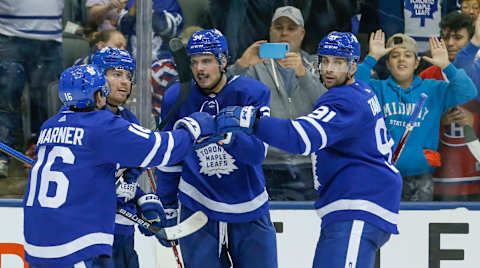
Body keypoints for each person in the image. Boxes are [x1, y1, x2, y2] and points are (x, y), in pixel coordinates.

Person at [215, 31, 402, 268]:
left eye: (339, 62)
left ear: (353, 66)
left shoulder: (345, 100)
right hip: (354, 205)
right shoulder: (360, 92)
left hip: (358, 205)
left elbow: (301, 139)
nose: (330, 69)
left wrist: (251, 121)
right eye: (326, 61)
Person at [23, 64, 215, 267]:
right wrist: (194, 127)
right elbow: (162, 149)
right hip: (75, 244)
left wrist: (138, 197)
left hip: (36, 238)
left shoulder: (49, 126)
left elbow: (82, 178)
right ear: (98, 96)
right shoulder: (102, 124)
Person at [155, 29, 278, 268]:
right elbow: (170, 159)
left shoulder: (253, 93)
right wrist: (168, 206)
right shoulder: (176, 97)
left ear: (223, 61)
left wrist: (225, 134)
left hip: (249, 206)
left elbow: (257, 152)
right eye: (194, 62)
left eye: (207, 61)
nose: (200, 69)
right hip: (197, 207)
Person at [355, 30, 477, 201]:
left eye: (408, 55)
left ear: (416, 63)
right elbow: (354, 89)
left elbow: (468, 91)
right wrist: (372, 57)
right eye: (395, 56)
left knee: (417, 226)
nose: (401, 59)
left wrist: (447, 66)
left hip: (422, 176)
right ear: (388, 64)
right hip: (385, 176)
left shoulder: (434, 89)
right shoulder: (377, 89)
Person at [227, 6, 326, 201]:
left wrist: (304, 75)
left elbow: (327, 105)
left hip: (309, 164)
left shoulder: (316, 65)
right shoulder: (255, 66)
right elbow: (223, 95)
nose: (284, 33)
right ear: (270, 32)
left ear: (302, 33)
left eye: (291, 28)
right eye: (278, 27)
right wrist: (241, 65)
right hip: (267, 164)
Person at [419, 12, 480, 201]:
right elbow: (412, 126)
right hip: (438, 178)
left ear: (471, 40)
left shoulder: (477, 73)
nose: (450, 42)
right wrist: (438, 120)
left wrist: (474, 119)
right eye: (446, 37)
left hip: (476, 176)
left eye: (458, 37)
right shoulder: (426, 77)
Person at [0, 0, 65, 178]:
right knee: (7, 98)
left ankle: (43, 154)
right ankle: (2, 155)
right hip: (10, 37)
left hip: (49, 40)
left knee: (47, 103)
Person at [91, 47, 142, 267]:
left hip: (124, 227)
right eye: (116, 74)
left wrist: (141, 199)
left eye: (128, 76)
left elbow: (129, 175)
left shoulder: (130, 119)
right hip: (94, 230)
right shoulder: (84, 119)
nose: (124, 82)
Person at [117, 0, 184, 125]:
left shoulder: (169, 3)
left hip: (163, 69)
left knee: (160, 108)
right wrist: (133, 11)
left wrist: (150, 12)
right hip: (133, 66)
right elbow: (122, 27)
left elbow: (171, 29)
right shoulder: (132, 2)